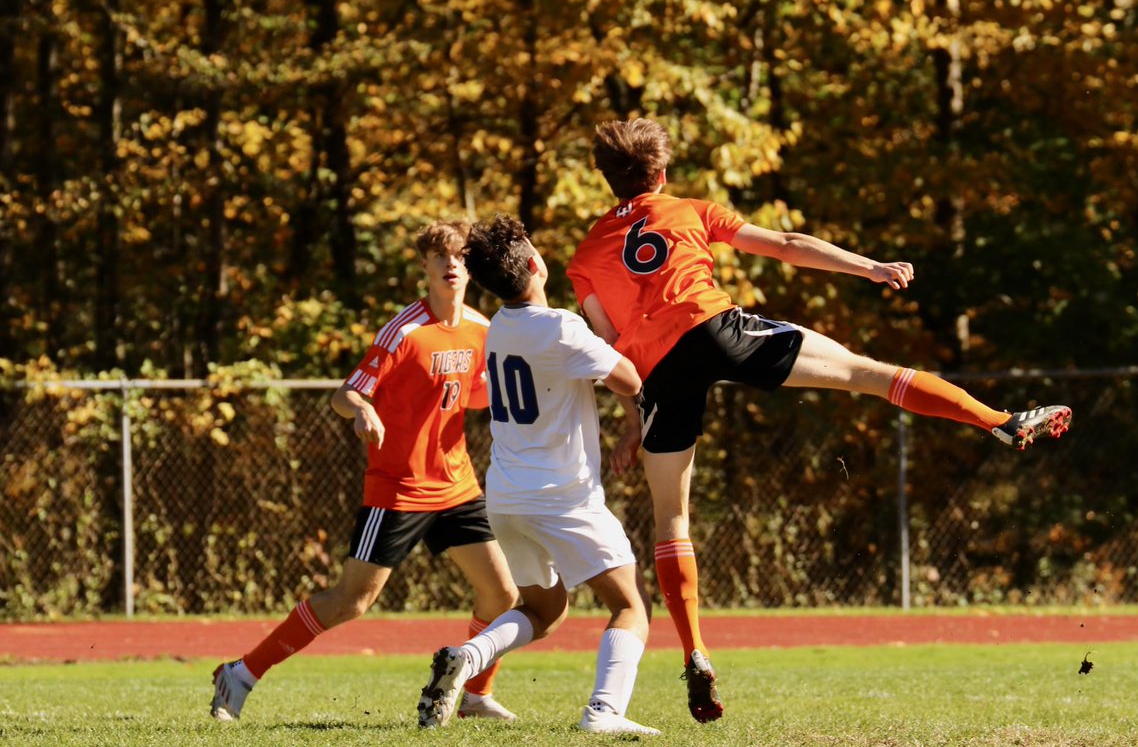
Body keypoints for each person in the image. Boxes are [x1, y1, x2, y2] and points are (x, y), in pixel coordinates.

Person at [566, 116, 1073, 724]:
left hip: (658, 373)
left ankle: (695, 650)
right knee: (867, 373)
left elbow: (611, 346)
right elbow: (785, 245)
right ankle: (998, 420)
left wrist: (633, 420)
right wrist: (870, 267)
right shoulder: (688, 210)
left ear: (606, 178)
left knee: (672, 520)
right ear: (662, 172)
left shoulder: (586, 254)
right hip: (714, 329)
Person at [210, 219, 519, 723]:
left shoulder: (484, 329)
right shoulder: (404, 330)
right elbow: (345, 393)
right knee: (353, 601)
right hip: (397, 489)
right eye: (440, 256)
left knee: (503, 594)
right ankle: (240, 673)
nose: (452, 265)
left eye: (461, 256)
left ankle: (475, 695)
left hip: (456, 486)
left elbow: (476, 393)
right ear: (424, 266)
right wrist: (362, 410)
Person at [416, 214, 660, 736]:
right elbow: (628, 376)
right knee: (629, 605)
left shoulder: (500, 325)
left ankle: (468, 655)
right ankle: (604, 713)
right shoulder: (560, 327)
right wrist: (632, 422)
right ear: (535, 264)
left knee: (544, 610)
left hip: (506, 496)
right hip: (562, 496)